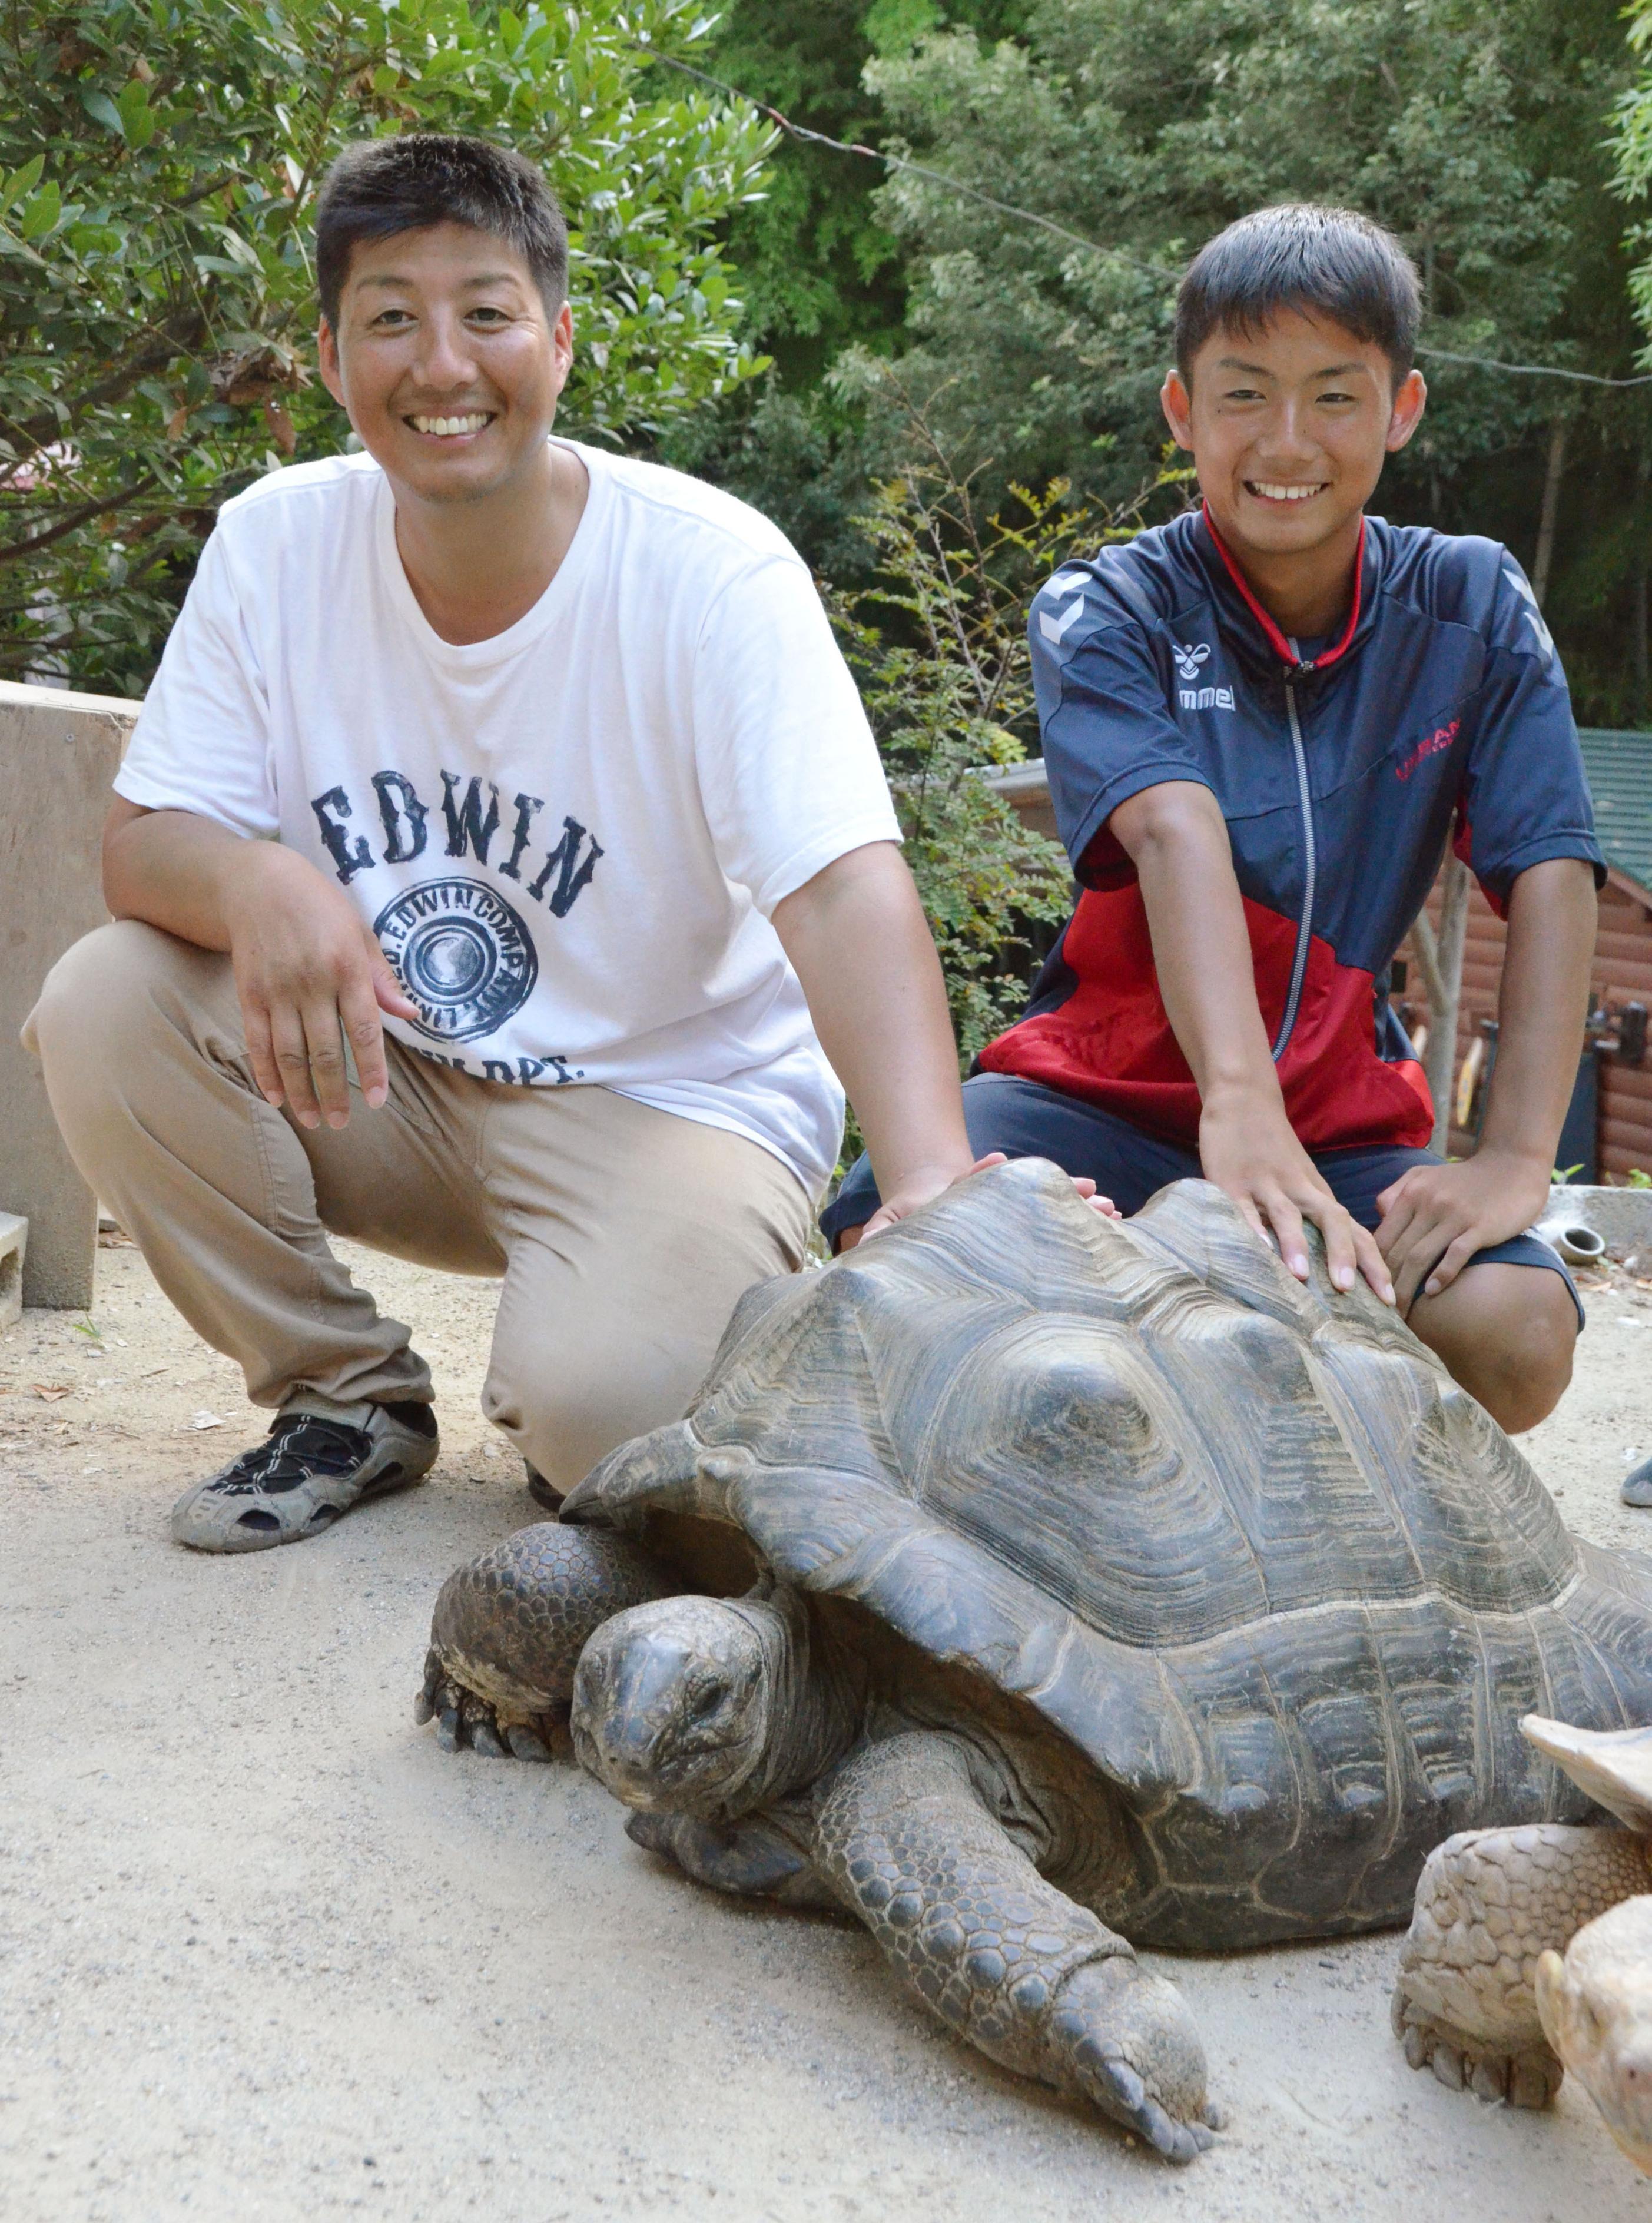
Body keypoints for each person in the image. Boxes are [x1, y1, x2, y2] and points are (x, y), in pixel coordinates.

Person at [24, 132, 1006, 1552]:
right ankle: (345, 1395)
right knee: (106, 1000)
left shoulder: (709, 573)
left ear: (557, 337)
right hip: (391, 1075)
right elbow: (141, 846)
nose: (440, 365)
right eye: (390, 318)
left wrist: (923, 1178)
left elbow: (842, 882)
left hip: (667, 1104)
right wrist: (261, 877)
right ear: (327, 355)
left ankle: (621, 1339)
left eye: (484, 312)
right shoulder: (274, 544)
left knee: (610, 1426)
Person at [826, 203, 1602, 1436]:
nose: (1285, 441)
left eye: (1333, 396)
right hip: (1095, 1098)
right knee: (891, 1247)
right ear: (1180, 411)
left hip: (1339, 1119)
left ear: (1399, 410)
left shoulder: (1466, 603)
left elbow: (1551, 867)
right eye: (1243, 395)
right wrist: (1231, 1105)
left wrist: (1511, 1159)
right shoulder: (1107, 604)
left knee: (1512, 1335)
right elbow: (1174, 828)